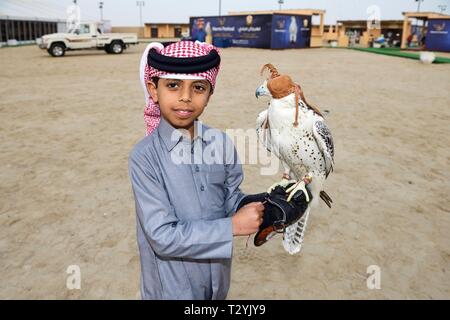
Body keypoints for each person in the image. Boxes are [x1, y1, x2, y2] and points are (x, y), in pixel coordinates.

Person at [128, 41, 268, 300]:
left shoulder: (222, 143)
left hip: (216, 283)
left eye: (198, 88)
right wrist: (232, 227)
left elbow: (229, 198)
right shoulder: (145, 158)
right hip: (171, 288)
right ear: (153, 90)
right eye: (172, 85)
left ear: (209, 93)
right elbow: (162, 236)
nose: (185, 97)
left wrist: (264, 204)